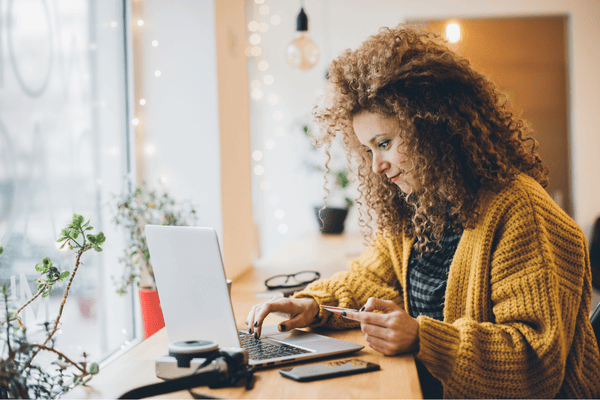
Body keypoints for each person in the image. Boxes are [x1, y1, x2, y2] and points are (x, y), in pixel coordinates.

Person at [246, 25, 600, 398]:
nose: (376, 166)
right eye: (369, 150)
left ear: (433, 128)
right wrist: (310, 304)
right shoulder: (422, 208)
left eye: (384, 143)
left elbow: (534, 362)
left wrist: (424, 338)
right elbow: (370, 280)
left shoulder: (520, 211)